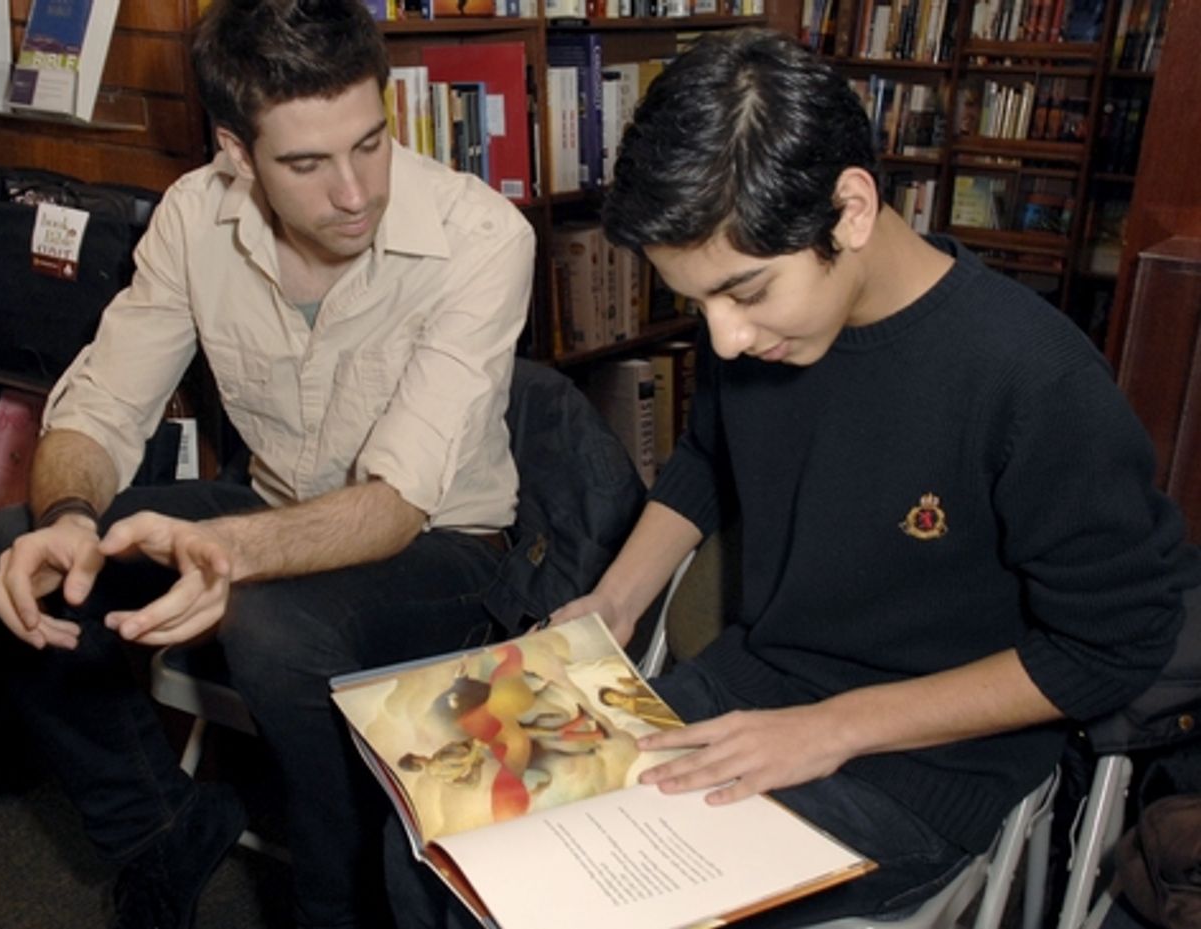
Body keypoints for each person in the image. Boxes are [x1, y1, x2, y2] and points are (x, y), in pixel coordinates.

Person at [386, 29, 1201, 929]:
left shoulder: (1035, 382)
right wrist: (616, 601)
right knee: (438, 832)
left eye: (745, 293)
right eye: (699, 302)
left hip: (922, 763)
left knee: (571, 902)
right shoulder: (764, 323)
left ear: (851, 210)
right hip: (749, 688)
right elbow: (710, 454)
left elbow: (1113, 646)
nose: (725, 338)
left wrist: (835, 726)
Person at [0, 0, 535, 926]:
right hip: (268, 513)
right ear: (236, 152)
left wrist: (229, 552)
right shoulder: (194, 214)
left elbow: (394, 504)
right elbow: (100, 407)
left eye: (371, 143)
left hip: (443, 549)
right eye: (307, 164)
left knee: (272, 625)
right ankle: (158, 827)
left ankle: (341, 907)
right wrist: (67, 520)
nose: (356, 192)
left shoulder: (484, 236)